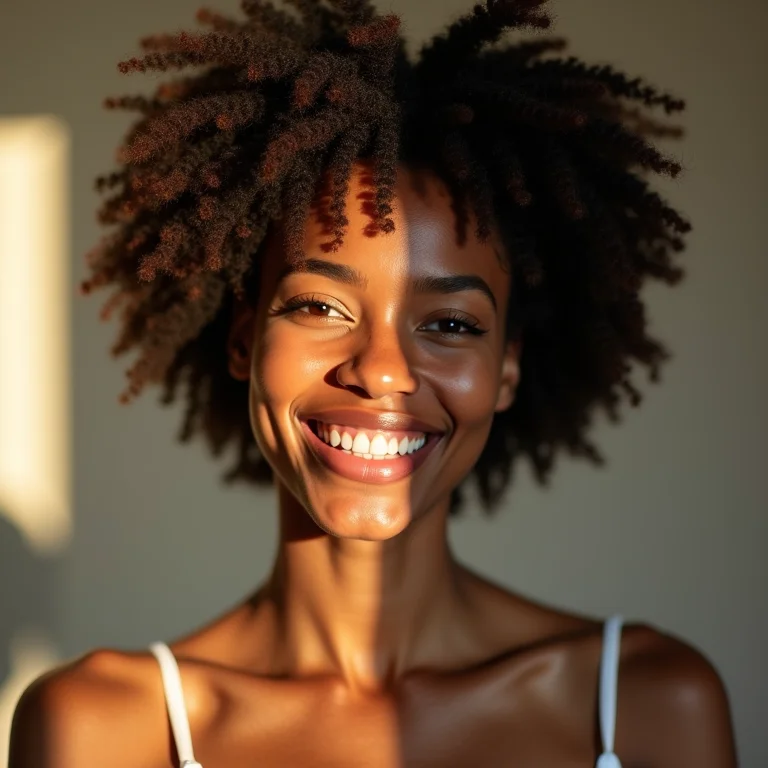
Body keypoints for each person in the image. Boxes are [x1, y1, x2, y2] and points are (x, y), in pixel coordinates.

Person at [10, 0, 738, 765]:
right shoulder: (101, 730)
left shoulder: (645, 705)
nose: (384, 370)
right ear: (243, 338)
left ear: (507, 369)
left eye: (450, 323)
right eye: (321, 307)